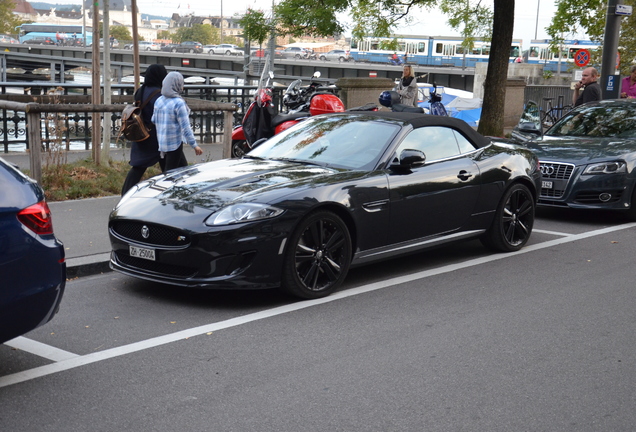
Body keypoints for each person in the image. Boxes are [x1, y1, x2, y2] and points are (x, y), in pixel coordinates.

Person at [121, 64, 168, 196]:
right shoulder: (159, 94)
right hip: (154, 136)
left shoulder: (141, 91)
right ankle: (172, 193)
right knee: (170, 165)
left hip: (141, 133)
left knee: (139, 166)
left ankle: (125, 193)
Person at [152, 71, 203, 172]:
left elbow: (153, 120)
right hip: (175, 144)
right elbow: (185, 127)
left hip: (162, 143)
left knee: (183, 171)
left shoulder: (159, 100)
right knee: (171, 175)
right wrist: (194, 145)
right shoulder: (178, 103)